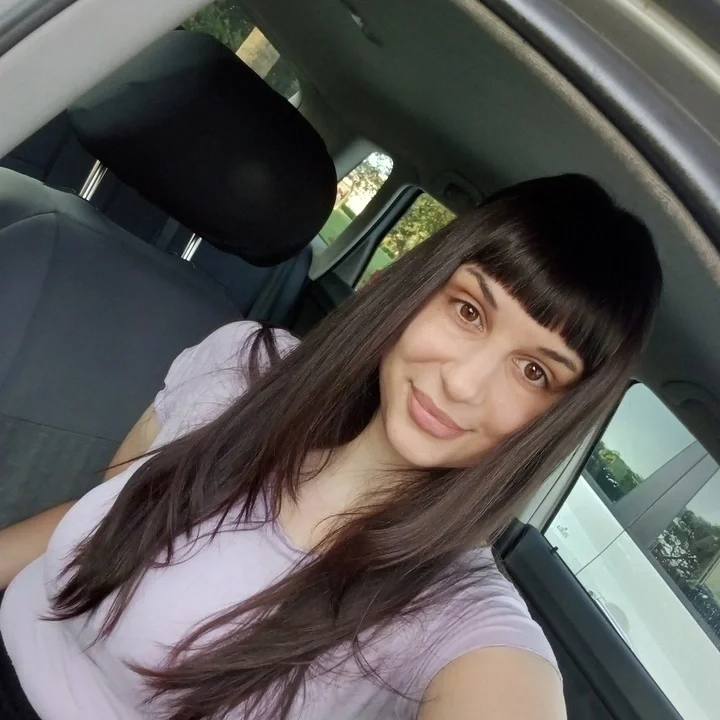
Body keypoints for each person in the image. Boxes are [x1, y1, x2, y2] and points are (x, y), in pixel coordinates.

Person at [0, 174, 661, 720]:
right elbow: (98, 514)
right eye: (469, 311)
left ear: (554, 418)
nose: (463, 383)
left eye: (534, 371)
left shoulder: (455, 612)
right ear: (419, 289)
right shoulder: (242, 368)